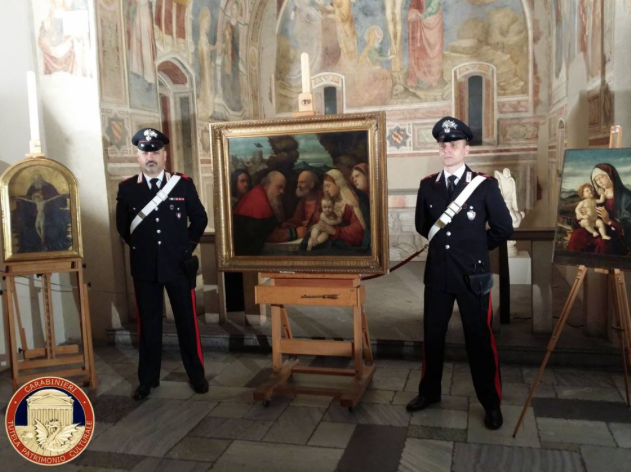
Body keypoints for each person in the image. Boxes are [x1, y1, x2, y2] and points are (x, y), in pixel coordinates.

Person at [407, 117, 513, 431]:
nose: (447, 150)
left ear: (466, 148)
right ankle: (429, 392)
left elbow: (504, 228)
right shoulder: (428, 186)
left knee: (479, 340)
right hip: (438, 276)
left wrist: (476, 249)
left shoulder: (484, 185)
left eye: (454, 144)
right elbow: (422, 225)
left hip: (473, 277)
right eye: (443, 145)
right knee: (432, 337)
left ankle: (491, 403)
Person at [116, 128, 209, 400]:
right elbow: (123, 227)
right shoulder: (127, 188)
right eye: (145, 153)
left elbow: (200, 219)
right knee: (149, 326)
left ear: (164, 155)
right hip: (145, 268)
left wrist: (185, 248)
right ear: (138, 157)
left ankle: (197, 375)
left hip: (178, 266)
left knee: (187, 322)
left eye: (155, 152)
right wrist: (144, 249)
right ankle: (147, 380)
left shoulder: (182, 185)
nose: (150, 157)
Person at [567, 163, 631, 255]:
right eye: (596, 179)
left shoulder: (626, 197)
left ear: (610, 175)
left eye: (601, 177)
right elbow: (579, 221)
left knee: (603, 243)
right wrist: (579, 217)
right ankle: (573, 261)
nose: (599, 181)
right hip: (595, 229)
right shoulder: (596, 196)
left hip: (614, 236)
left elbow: (628, 226)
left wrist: (609, 221)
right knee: (576, 235)